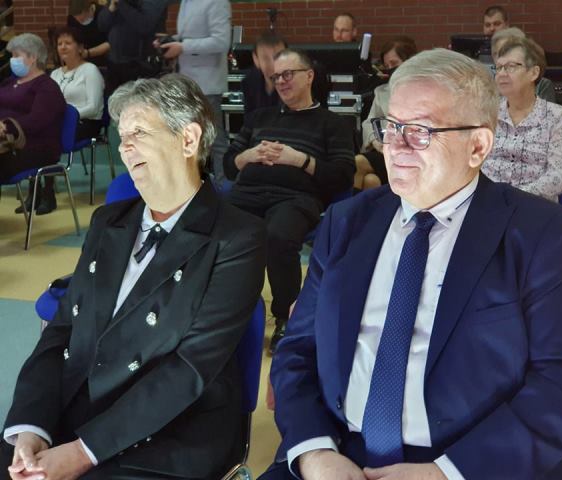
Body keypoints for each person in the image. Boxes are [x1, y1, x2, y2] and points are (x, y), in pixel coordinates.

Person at [260, 48, 562, 480]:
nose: (395, 147)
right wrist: (314, 452)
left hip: (473, 462)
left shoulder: (540, 234)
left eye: (420, 131)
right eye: (391, 127)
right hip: (340, 454)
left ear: (478, 145)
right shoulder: (347, 223)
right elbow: (298, 351)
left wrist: (446, 473)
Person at [2, 73, 266, 480]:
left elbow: (190, 368)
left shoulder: (237, 237)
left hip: (170, 431)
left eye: (139, 133)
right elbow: (60, 332)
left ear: (188, 139)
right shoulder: (108, 221)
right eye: (122, 136)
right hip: (78, 407)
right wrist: (30, 428)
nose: (124, 148)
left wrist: (83, 452)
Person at [223, 49, 355, 354]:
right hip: (247, 194)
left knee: (278, 237)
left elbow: (343, 177)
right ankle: (226, 313)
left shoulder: (333, 123)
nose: (280, 82)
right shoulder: (259, 117)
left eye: (287, 75)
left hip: (296, 198)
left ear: (309, 76)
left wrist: (300, 160)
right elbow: (229, 165)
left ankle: (286, 317)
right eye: (276, 77)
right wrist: (248, 155)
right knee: (217, 232)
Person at [482, 37, 562, 202]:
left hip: (534, 206)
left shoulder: (557, 117)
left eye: (511, 67)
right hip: (490, 203)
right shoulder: (487, 113)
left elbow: (559, 176)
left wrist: (514, 198)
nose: (501, 74)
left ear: (534, 73)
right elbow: (473, 164)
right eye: (499, 67)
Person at [157, 0, 231, 184]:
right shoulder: (187, 2)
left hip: (208, 83)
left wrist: (183, 47)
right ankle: (197, 185)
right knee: (192, 139)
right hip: (188, 81)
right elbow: (189, 36)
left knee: (215, 140)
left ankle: (225, 186)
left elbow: (221, 41)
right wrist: (171, 40)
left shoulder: (217, 2)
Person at [0, 33, 65, 215]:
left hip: (34, 147)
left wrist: (6, 127)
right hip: (6, 144)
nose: (12, 60)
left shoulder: (47, 87)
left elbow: (37, 121)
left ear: (33, 57)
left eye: (16, 55)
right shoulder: (9, 82)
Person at [355, 36, 417, 191]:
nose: (390, 68)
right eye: (387, 65)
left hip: (409, 152)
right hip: (383, 150)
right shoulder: (382, 91)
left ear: (410, 61)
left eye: (394, 64)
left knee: (357, 163)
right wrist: (375, 141)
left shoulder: (422, 90)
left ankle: (346, 208)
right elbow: (369, 122)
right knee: (370, 181)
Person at [97, 0, 173, 94]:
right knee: (114, 99)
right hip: (114, 62)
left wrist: (121, 4)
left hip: (141, 64)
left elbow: (144, 25)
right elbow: (102, 26)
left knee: (140, 100)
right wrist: (111, 9)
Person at [51, 27, 105, 140]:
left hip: (86, 122)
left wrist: (68, 116)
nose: (63, 47)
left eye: (68, 43)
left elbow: (94, 108)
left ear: (80, 48)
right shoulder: (55, 74)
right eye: (59, 44)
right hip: (60, 121)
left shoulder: (90, 70)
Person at [490, 27, 556, 103]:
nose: (503, 59)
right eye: (498, 54)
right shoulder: (486, 83)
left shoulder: (542, 85)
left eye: (508, 52)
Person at [241, 31, 287, 116]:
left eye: (278, 56)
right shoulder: (249, 83)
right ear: (256, 59)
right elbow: (249, 119)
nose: (273, 64)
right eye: (265, 58)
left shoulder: (295, 83)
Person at [67, 0, 110, 68]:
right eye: (76, 18)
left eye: (83, 19)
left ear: (90, 9)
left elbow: (111, 43)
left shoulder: (104, 14)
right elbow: (72, 39)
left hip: (104, 60)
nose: (79, 21)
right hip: (81, 60)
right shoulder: (71, 19)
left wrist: (88, 53)